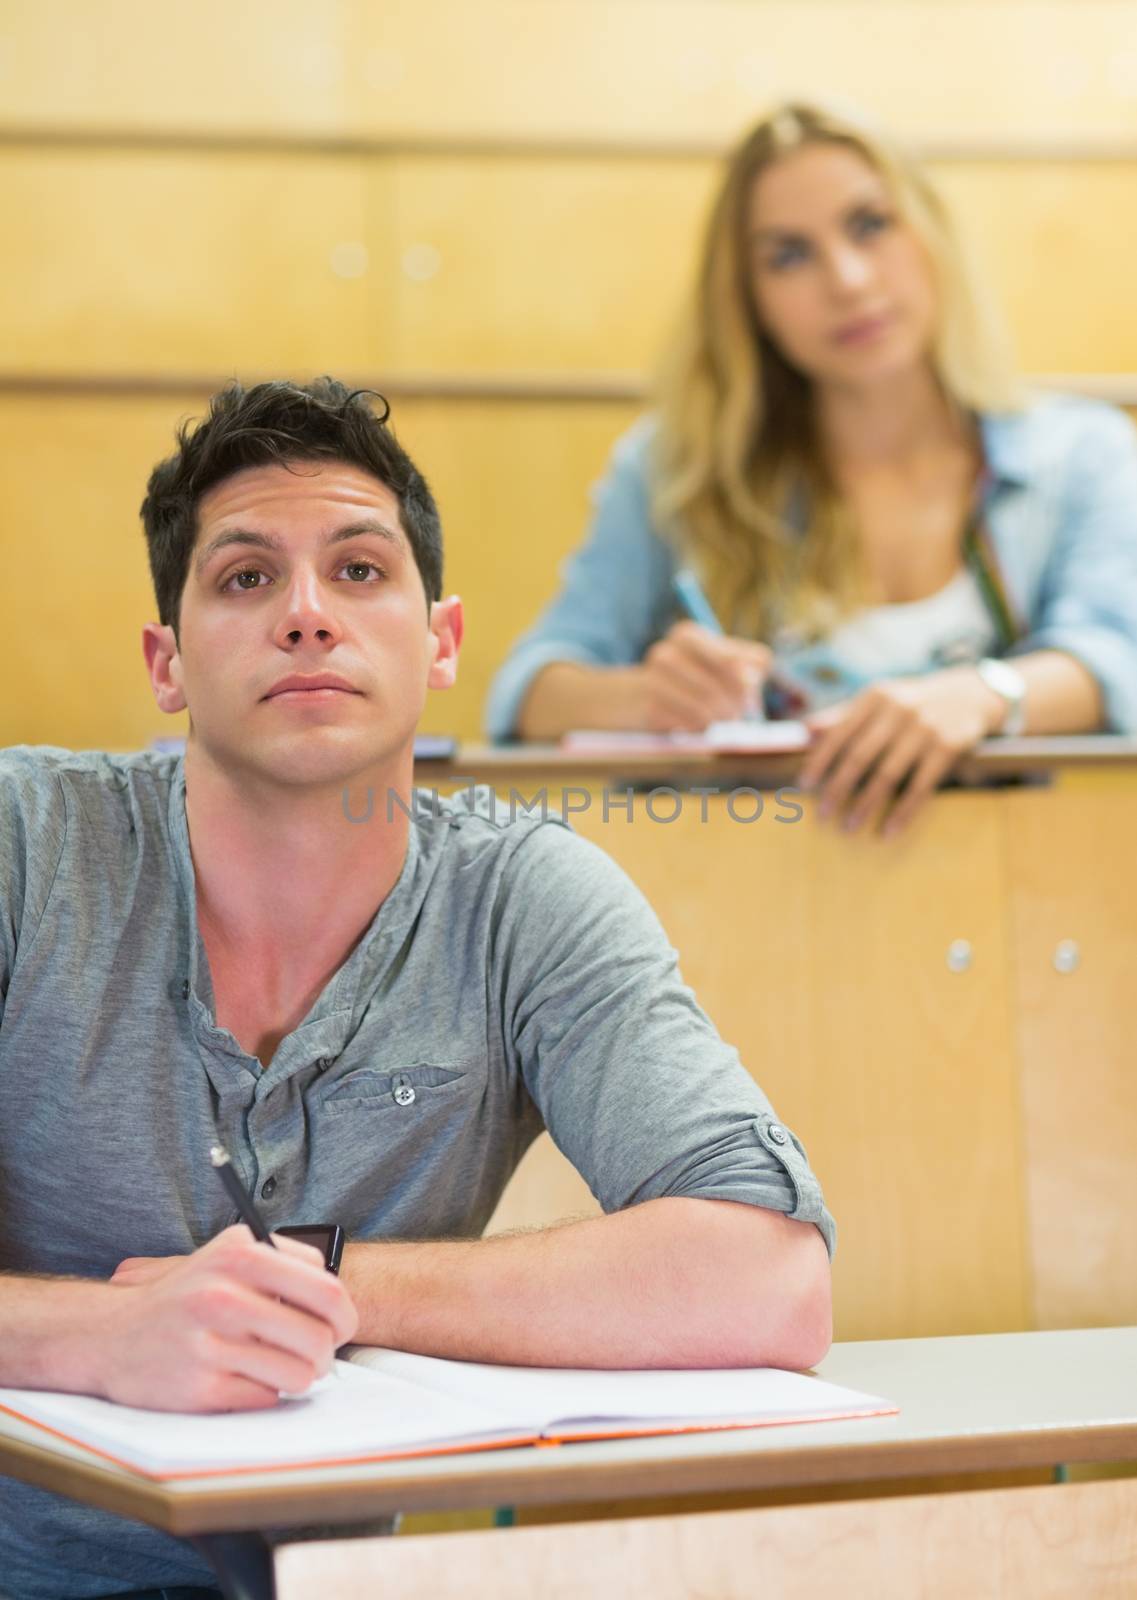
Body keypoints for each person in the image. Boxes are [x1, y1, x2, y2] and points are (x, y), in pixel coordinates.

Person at [0, 379, 833, 1599]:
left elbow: (769, 1278)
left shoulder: (525, 895)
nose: (304, 615)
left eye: (358, 570)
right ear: (165, 662)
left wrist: (327, 1281)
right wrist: (99, 1334)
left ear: (440, 641)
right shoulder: (30, 843)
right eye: (244, 578)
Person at [487, 101, 1137, 835]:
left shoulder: (1082, 454)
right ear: (749, 301)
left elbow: (1113, 661)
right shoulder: (677, 468)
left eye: (869, 224)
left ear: (930, 233)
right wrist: (645, 696)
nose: (849, 280)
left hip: (1011, 900)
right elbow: (526, 692)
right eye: (788, 255)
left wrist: (985, 695)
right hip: (738, 896)